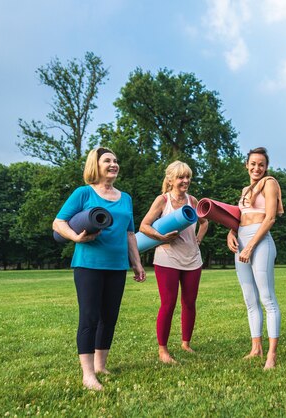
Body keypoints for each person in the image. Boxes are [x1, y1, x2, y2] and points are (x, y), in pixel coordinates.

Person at [53, 147, 146, 391]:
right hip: (88, 264)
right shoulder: (83, 193)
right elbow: (58, 222)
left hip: (117, 265)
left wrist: (136, 263)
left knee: (110, 317)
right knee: (90, 317)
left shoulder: (125, 198)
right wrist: (76, 237)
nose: (113, 164)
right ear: (96, 165)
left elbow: (129, 234)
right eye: (107, 160)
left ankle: (101, 365)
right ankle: (88, 375)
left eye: (116, 161)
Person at [139, 161, 209, 364]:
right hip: (167, 258)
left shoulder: (193, 200)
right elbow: (144, 226)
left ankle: (186, 344)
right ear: (170, 180)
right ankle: (163, 350)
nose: (185, 181)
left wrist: (198, 240)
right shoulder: (162, 201)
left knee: (189, 303)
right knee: (168, 304)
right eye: (180, 177)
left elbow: (204, 222)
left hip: (192, 259)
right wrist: (160, 238)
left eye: (187, 177)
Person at [227, 147, 283, 370]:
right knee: (250, 299)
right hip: (241, 242)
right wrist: (231, 233)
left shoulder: (269, 183)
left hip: (260, 243)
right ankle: (255, 347)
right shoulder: (244, 189)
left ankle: (271, 354)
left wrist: (250, 246)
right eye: (253, 164)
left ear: (265, 167)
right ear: (246, 165)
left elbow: (269, 218)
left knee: (267, 298)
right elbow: (239, 218)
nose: (256, 168)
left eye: (261, 164)